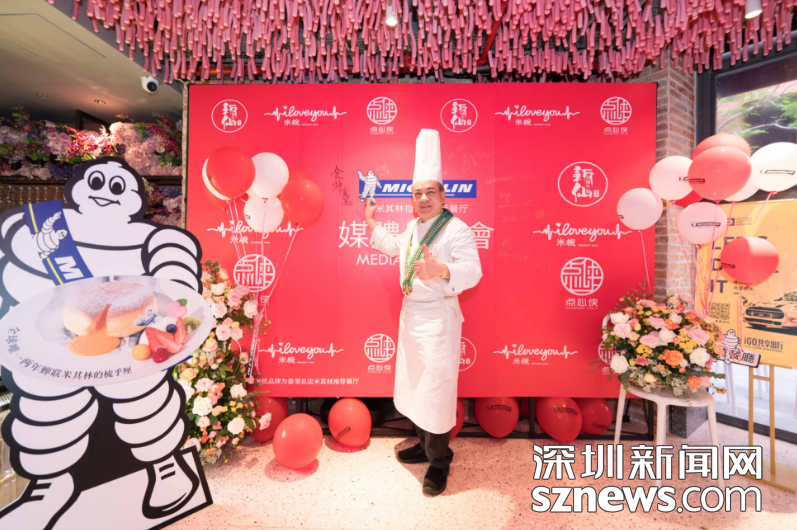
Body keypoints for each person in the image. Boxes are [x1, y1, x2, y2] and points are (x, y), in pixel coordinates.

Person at [364, 129, 482, 495]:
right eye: (417, 193)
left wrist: (441, 270)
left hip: (438, 321)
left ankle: (439, 460)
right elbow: (394, 248)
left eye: (430, 192)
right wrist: (371, 222)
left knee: (435, 391)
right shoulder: (413, 227)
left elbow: (473, 271)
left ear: (443, 196)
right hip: (412, 317)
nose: (424, 199)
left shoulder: (457, 230)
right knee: (414, 385)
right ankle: (423, 443)